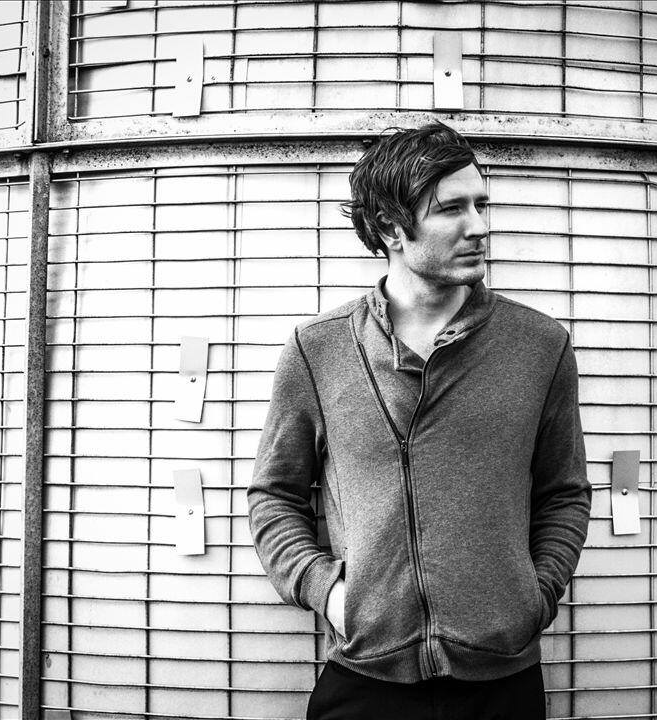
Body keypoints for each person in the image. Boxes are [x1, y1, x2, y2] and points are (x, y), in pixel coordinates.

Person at [247, 122, 591, 720]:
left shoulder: (540, 346)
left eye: (481, 204)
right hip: (366, 678)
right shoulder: (318, 350)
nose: (479, 226)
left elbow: (564, 494)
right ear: (390, 227)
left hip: (503, 682)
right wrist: (331, 595)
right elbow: (274, 496)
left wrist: (532, 600)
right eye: (451, 209)